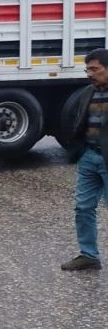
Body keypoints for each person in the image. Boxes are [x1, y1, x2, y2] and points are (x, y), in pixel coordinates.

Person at [60, 48, 108, 271]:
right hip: (89, 157)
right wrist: (78, 150)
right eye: (87, 69)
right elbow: (77, 122)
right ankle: (89, 255)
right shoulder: (87, 93)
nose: (89, 73)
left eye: (94, 69)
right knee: (83, 207)